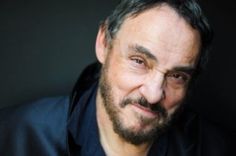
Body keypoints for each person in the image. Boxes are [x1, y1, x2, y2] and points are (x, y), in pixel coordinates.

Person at [0, 0, 230, 155]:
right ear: (104, 44)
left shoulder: (219, 149)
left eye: (177, 76)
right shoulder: (14, 134)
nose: (152, 94)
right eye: (139, 61)